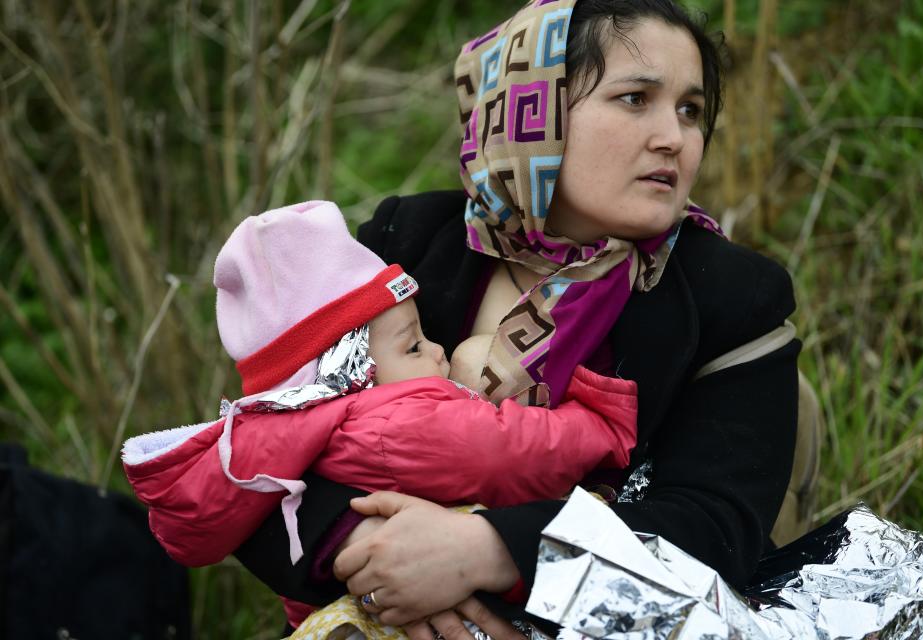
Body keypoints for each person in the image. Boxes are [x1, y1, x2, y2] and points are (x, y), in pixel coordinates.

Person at [236, 1, 804, 638]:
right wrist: (376, 550)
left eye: (690, 110)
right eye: (635, 99)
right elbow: (256, 449)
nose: (673, 136)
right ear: (530, 109)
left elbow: (715, 527)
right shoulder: (410, 241)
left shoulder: (732, 297)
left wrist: (487, 550)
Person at [121, 201, 639, 631]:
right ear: (351, 374)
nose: (439, 352)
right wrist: (598, 424)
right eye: (413, 347)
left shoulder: (291, 433)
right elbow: (507, 451)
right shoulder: (394, 422)